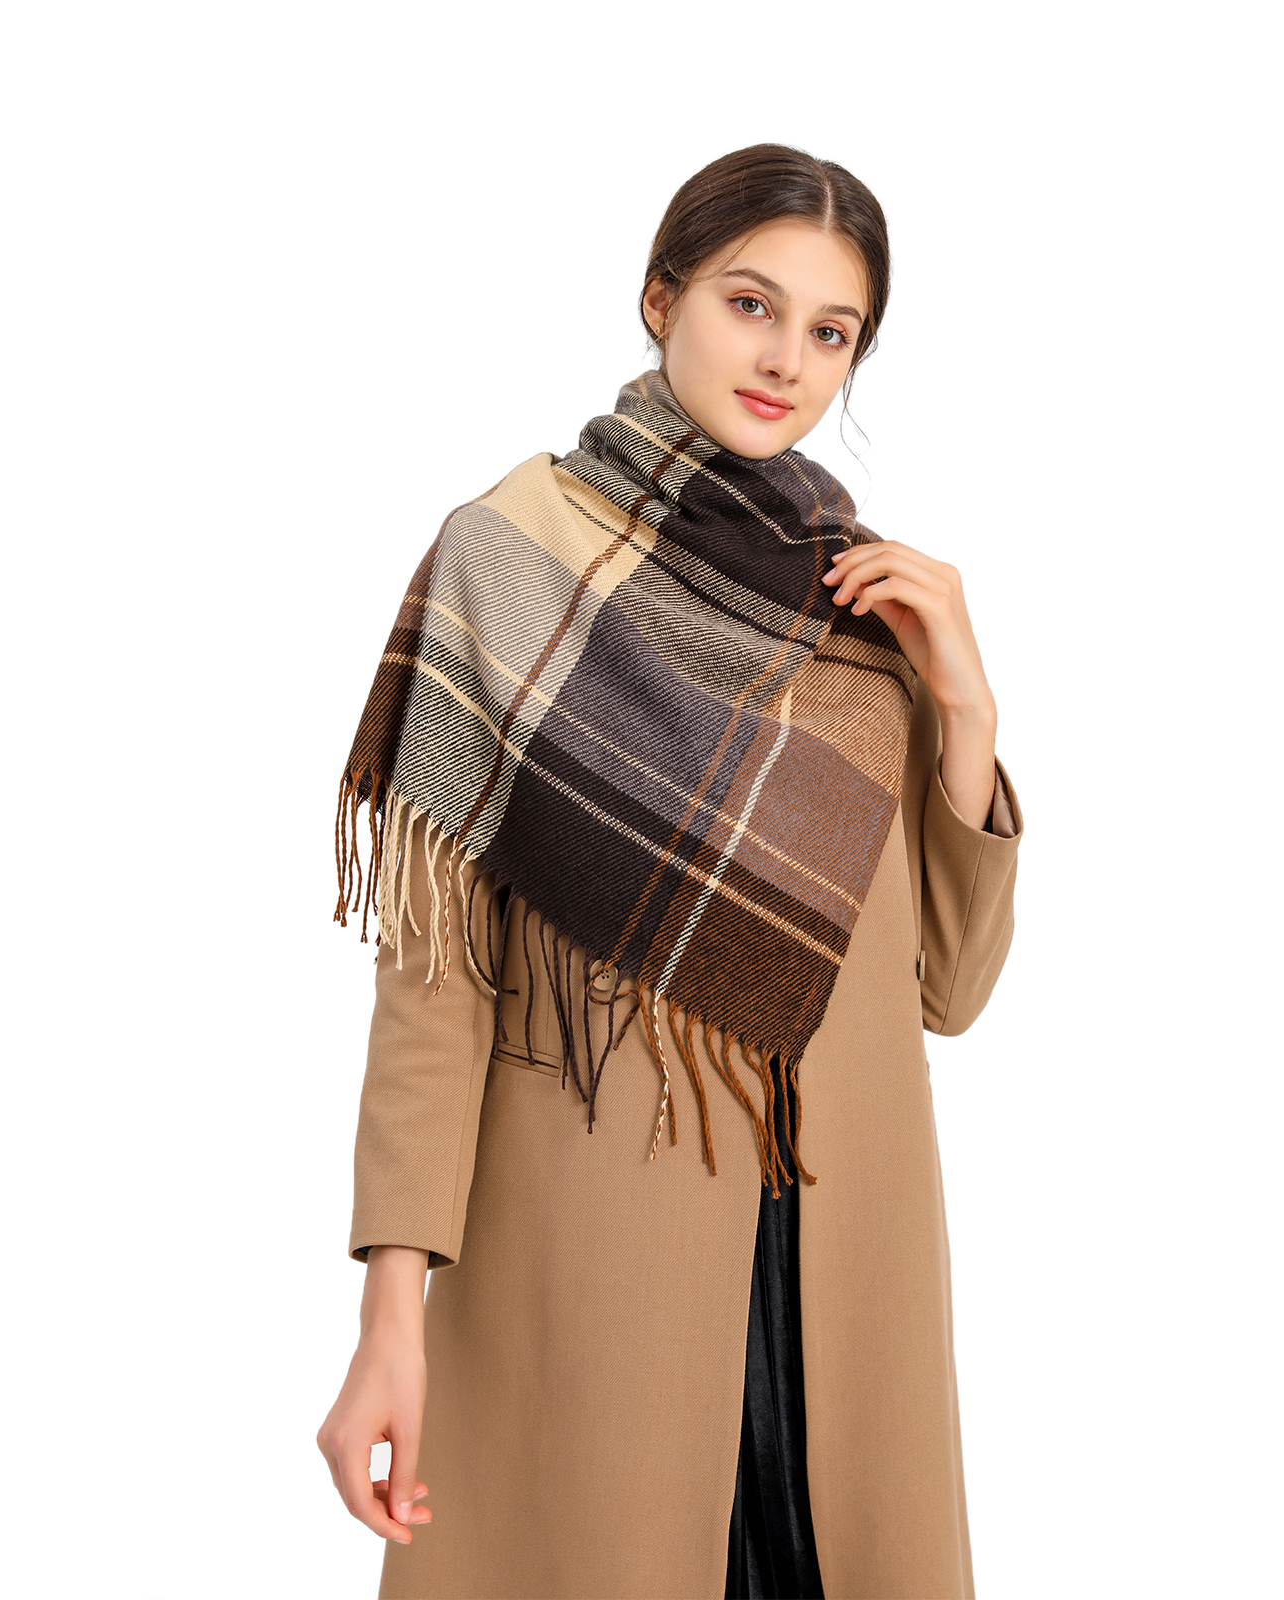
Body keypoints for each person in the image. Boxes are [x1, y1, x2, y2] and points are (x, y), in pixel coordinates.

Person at [316, 142, 1024, 1600]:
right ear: (662, 298)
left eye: (831, 332)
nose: (785, 361)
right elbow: (436, 983)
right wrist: (391, 1316)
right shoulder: (509, 563)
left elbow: (946, 991)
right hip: (599, 1266)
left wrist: (965, 709)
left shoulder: (864, 603)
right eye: (750, 305)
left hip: (838, 1271)